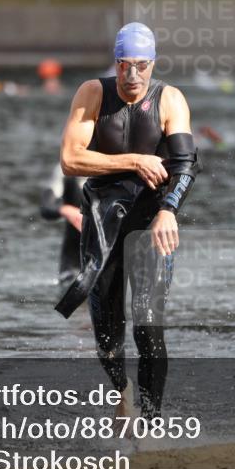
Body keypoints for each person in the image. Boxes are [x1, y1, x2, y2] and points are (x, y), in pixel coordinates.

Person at [56, 22, 200, 422]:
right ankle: (122, 389)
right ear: (115, 63)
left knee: (148, 326)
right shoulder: (92, 94)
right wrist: (135, 160)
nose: (132, 76)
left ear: (152, 64)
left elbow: (187, 164)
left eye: (140, 65)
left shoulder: (169, 99)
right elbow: (71, 159)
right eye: (124, 65)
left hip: (153, 221)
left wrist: (169, 209)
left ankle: (152, 423)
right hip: (102, 223)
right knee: (107, 336)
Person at [39, 164, 84, 291]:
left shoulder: (125, 164)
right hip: (73, 266)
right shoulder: (65, 169)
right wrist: (65, 210)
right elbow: (46, 207)